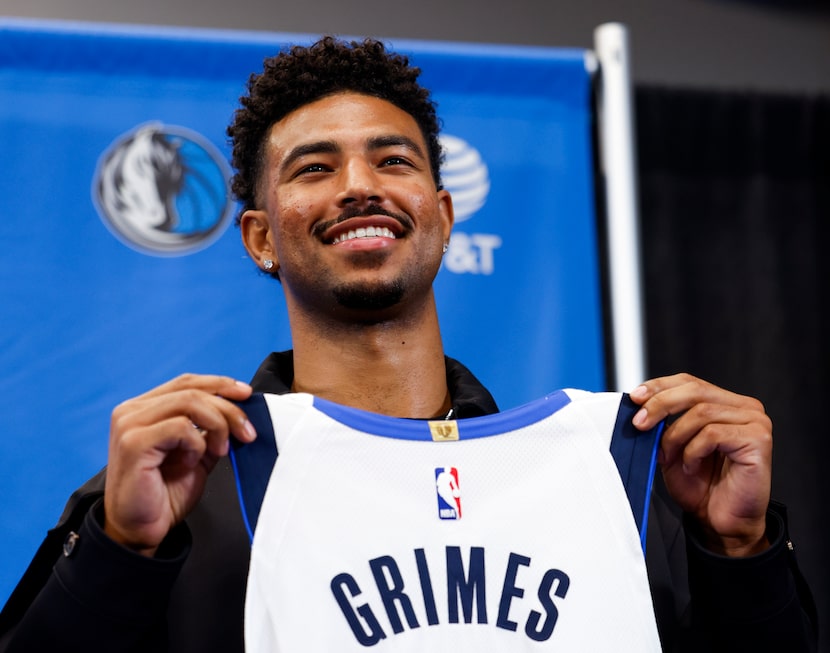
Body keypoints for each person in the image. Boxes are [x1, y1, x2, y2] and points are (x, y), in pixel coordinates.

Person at [0, 36, 817, 652]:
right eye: (314, 168)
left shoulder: (619, 480)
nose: (360, 184)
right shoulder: (180, 482)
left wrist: (739, 553)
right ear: (259, 238)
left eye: (392, 159)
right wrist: (117, 555)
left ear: (442, 213)